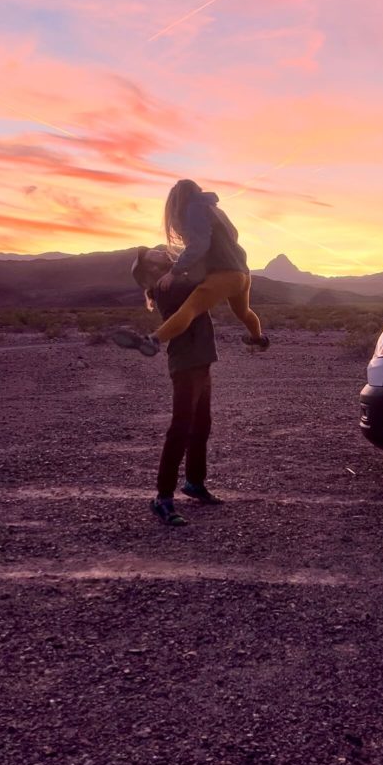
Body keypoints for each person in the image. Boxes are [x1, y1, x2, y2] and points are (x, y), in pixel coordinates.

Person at [121, 246, 221, 527]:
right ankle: (162, 498)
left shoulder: (175, 278)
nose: (160, 250)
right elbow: (204, 279)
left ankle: (194, 483)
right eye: (152, 255)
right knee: (180, 429)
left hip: (201, 361)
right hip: (186, 363)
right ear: (149, 272)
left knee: (201, 426)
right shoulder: (167, 287)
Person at [114, 180, 269, 357]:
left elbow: (199, 245)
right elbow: (233, 235)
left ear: (177, 199)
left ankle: (154, 340)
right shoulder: (215, 210)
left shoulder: (193, 209)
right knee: (244, 312)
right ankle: (258, 338)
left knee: (190, 309)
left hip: (225, 273)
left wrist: (175, 272)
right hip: (243, 273)